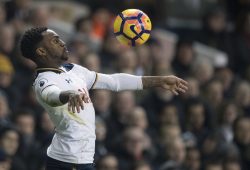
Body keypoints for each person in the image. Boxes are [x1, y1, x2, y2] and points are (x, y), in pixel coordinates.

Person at [19, 27, 188, 170]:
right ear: (41, 51)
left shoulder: (73, 69)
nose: (62, 42)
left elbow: (114, 81)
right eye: (55, 41)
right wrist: (67, 95)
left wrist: (159, 80)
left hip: (78, 158)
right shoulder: (43, 80)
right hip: (68, 160)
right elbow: (51, 95)